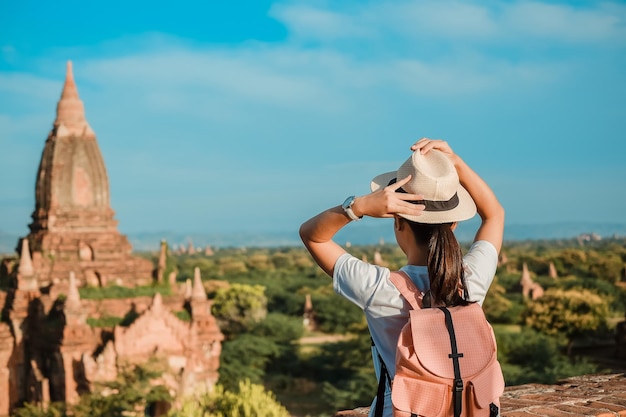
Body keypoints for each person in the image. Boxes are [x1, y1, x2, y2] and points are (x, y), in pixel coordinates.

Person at [299, 138, 505, 417]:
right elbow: (494, 215)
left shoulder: (378, 288)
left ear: (396, 221)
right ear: (454, 223)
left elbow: (312, 236)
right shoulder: (470, 281)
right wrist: (454, 163)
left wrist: (357, 207)